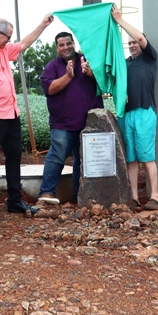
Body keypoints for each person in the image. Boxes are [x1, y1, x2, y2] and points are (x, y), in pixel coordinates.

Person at [0, 14, 54, 219]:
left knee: (14, 156)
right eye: (7, 37)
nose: (10, 41)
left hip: (11, 114)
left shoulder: (3, 49)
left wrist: (42, 24)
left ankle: (14, 200)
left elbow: (24, 43)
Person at [38, 32, 103, 205]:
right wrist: (68, 76)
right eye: (61, 45)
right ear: (57, 48)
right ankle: (47, 192)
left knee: (84, 160)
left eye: (68, 43)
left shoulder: (87, 61)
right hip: (63, 123)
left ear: (74, 43)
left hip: (89, 123)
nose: (66, 47)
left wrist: (91, 74)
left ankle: (80, 195)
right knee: (57, 156)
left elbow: (106, 82)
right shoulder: (52, 66)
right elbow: (50, 89)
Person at [110, 6, 158, 210]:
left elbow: (140, 38)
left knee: (147, 157)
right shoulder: (124, 64)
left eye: (134, 42)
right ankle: (133, 198)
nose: (132, 45)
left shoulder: (150, 58)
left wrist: (120, 20)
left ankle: (154, 197)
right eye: (129, 43)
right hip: (126, 114)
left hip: (145, 112)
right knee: (131, 159)